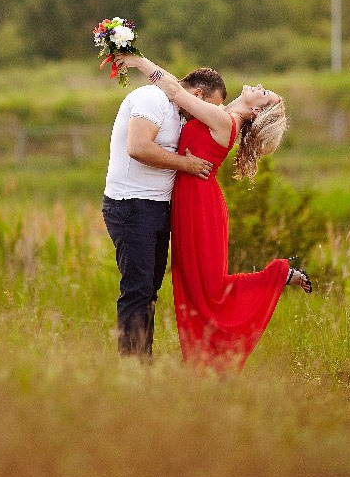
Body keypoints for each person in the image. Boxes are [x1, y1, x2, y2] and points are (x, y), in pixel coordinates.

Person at [117, 52, 312, 372]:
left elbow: (175, 90)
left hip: (201, 207)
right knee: (194, 286)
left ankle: (279, 275)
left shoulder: (224, 121)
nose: (259, 86)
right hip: (191, 201)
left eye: (264, 93)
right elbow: (183, 95)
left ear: (256, 110)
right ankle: (196, 365)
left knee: (209, 289)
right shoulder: (221, 114)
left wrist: (138, 61)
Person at [102, 66, 227, 359]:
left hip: (157, 208)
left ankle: (142, 360)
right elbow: (138, 147)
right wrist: (187, 164)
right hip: (132, 205)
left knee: (150, 290)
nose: (203, 115)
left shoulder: (177, 110)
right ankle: (133, 366)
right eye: (208, 107)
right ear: (197, 95)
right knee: (138, 289)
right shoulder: (151, 98)